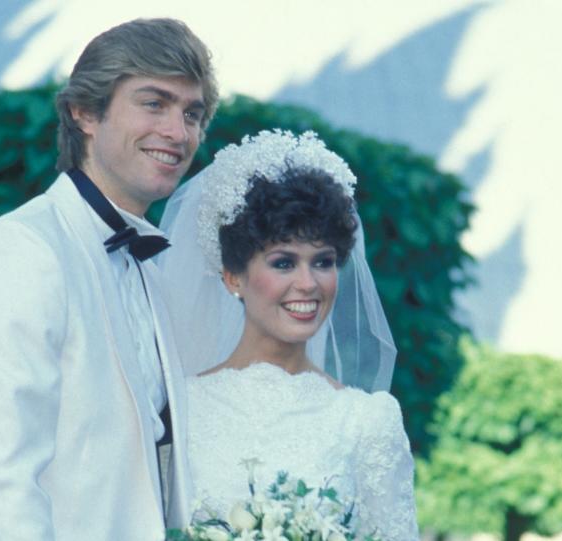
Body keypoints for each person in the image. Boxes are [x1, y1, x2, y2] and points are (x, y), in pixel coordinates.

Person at [0, 18, 218, 540]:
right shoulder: (22, 252)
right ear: (84, 112)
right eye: (154, 103)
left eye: (192, 113)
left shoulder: (149, 270)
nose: (179, 133)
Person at [159, 130, 419, 540]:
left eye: (323, 261)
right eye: (283, 263)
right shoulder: (178, 410)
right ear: (233, 277)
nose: (308, 283)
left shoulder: (368, 422)